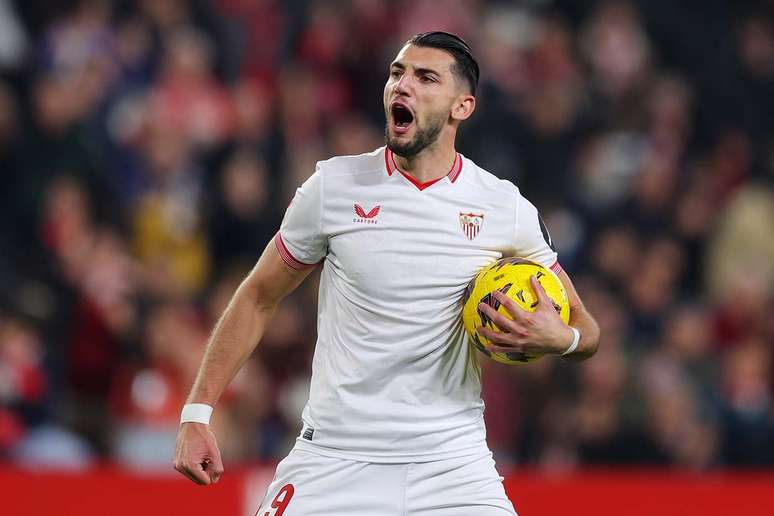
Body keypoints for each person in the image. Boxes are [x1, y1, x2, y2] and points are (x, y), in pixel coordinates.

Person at [174, 31, 600, 515]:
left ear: (462, 106)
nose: (403, 86)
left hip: (451, 467)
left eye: (425, 78)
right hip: (335, 459)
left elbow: (586, 331)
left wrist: (558, 338)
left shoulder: (503, 207)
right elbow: (257, 296)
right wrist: (197, 412)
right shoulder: (333, 187)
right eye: (397, 73)